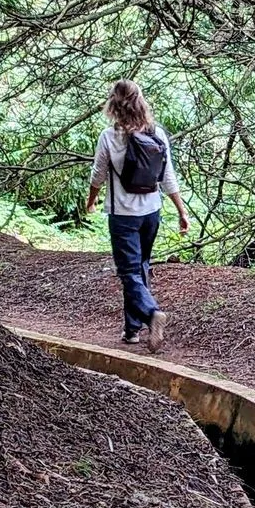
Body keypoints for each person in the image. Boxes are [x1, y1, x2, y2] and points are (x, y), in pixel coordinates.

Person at [84, 79, 189, 352]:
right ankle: (132, 330)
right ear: (141, 102)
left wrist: (91, 201)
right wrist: (181, 211)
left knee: (129, 271)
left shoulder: (109, 137)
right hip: (151, 212)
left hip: (123, 215)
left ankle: (151, 313)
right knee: (141, 265)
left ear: (113, 106)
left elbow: (98, 175)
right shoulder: (157, 134)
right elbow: (168, 177)